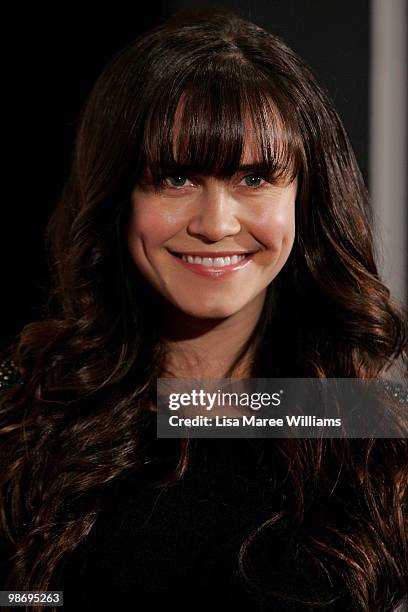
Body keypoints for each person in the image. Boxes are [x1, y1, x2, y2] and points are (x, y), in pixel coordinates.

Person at [0, 9, 407, 612]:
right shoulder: (23, 419)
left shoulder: (372, 432)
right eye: (175, 176)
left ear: (307, 197)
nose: (215, 224)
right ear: (116, 195)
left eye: (255, 177)